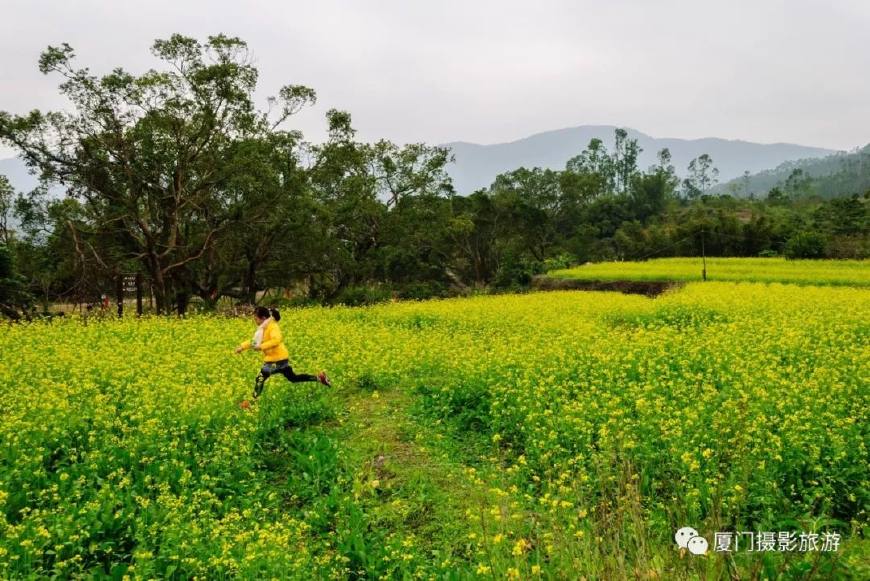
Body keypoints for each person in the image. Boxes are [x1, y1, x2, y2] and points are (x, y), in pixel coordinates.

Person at [235, 306, 331, 406]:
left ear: (263, 318)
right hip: (280, 359)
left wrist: (261, 347)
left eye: (256, 319)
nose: (255, 321)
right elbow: (254, 342)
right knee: (293, 378)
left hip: (275, 360)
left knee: (260, 378)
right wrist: (242, 347)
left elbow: (277, 340)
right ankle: (319, 378)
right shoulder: (262, 329)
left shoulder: (272, 326)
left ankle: (251, 403)